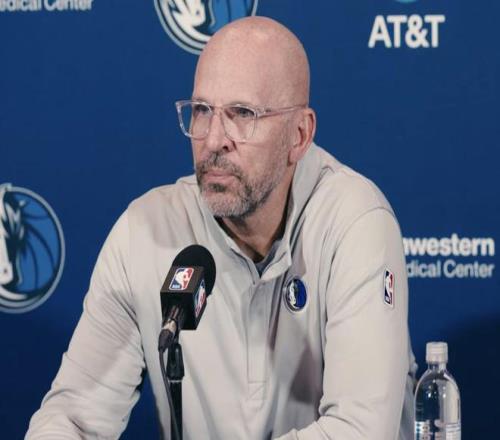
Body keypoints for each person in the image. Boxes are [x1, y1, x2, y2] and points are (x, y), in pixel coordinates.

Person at [26, 16, 416, 440]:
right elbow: (72, 417)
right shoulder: (146, 231)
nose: (213, 140)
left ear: (299, 135)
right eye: (202, 111)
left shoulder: (355, 222)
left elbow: (360, 430)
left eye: (242, 114)